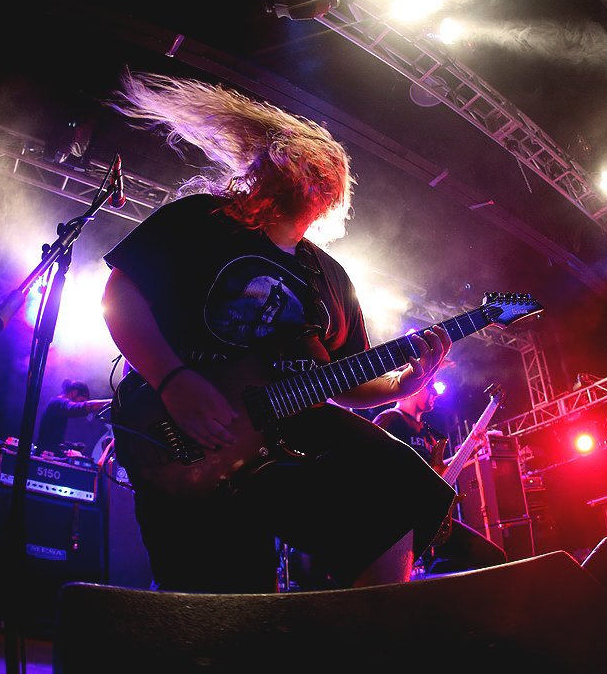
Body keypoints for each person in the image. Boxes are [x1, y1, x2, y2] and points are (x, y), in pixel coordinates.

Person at [101, 74, 455, 593]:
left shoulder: (330, 278)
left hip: (287, 446)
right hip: (180, 435)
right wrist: (173, 379)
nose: (316, 177)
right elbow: (121, 297)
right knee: (220, 606)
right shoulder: (201, 220)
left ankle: (376, 626)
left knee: (400, 486)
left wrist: (403, 384)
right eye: (304, 165)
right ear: (269, 166)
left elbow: (341, 378)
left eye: (325, 173)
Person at [373, 386, 507, 573]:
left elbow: (440, 474)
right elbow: (373, 468)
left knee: (494, 558)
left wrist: (472, 448)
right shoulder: (390, 420)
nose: (435, 393)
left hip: (431, 520)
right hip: (401, 522)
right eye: (430, 386)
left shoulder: (428, 434)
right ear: (414, 387)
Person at [35, 379, 109, 452]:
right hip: (45, 454)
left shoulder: (58, 405)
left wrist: (72, 446)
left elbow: (53, 440)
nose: (81, 403)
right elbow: (80, 407)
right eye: (81, 401)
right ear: (74, 392)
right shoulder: (58, 402)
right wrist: (110, 402)